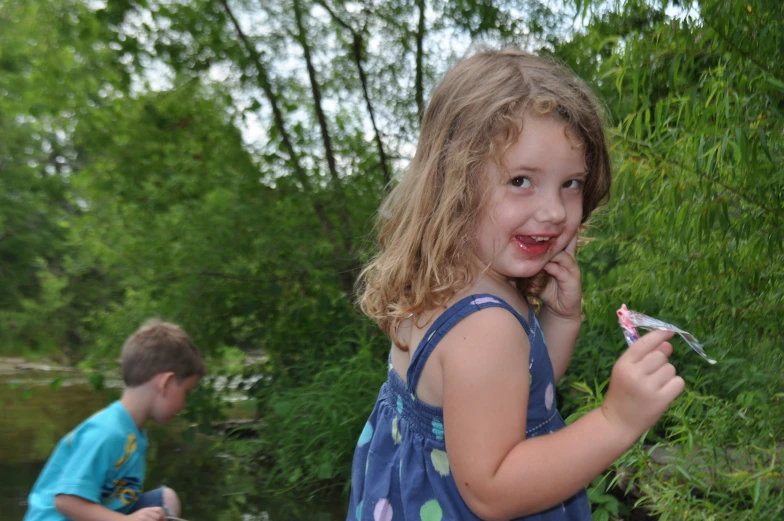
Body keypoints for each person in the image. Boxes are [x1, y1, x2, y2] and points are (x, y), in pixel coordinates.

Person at [348, 49, 685, 521]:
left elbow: (515, 398)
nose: (553, 210)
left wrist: (560, 319)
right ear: (455, 184)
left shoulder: (450, 284)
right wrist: (616, 420)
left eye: (571, 184)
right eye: (522, 180)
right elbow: (493, 491)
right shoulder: (486, 324)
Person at [24, 320, 206, 521]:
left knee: (165, 500)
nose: (184, 403)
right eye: (185, 392)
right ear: (166, 383)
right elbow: (66, 501)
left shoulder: (133, 432)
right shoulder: (107, 433)